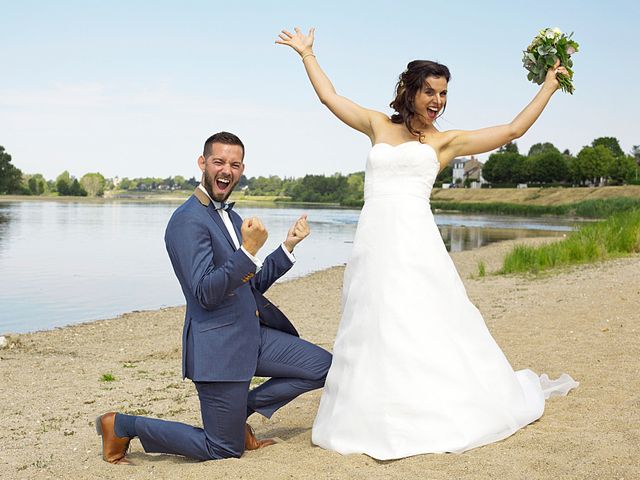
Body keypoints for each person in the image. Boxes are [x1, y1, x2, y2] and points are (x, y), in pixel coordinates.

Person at [276, 28, 577, 459]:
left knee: (424, 318)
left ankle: (435, 406)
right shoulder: (378, 125)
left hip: (416, 243)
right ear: (408, 91)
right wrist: (307, 55)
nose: (438, 101)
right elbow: (330, 98)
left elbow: (512, 130)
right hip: (373, 243)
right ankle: (371, 412)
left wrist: (548, 85)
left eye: (444, 93)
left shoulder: (444, 142)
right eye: (430, 91)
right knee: (373, 320)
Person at [95, 131, 332, 464]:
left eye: (234, 164)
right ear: (202, 163)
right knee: (222, 449)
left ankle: (239, 413)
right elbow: (205, 293)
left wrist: (287, 247)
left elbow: (247, 283)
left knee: (324, 368)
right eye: (219, 161)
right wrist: (248, 250)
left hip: (253, 336)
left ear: (242, 169)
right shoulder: (186, 222)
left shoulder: (233, 218)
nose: (227, 170)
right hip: (219, 349)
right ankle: (121, 424)